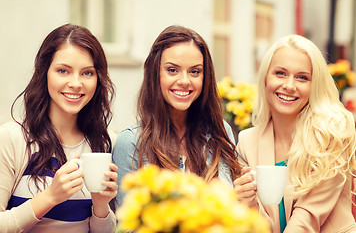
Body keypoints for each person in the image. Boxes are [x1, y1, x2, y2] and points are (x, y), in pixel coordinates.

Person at [0, 23, 118, 233]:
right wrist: (50, 197)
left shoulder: (106, 142)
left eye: (87, 73)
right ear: (44, 72)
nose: (75, 83)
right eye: (63, 71)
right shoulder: (12, 138)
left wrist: (101, 206)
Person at [233, 34, 356, 232]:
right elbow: (259, 226)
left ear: (314, 85)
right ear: (265, 78)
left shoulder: (332, 134)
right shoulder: (247, 142)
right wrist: (248, 205)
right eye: (280, 73)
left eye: (302, 77)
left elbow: (308, 217)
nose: (289, 85)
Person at [112, 25, 241, 209]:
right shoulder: (131, 142)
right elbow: (127, 226)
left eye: (195, 71)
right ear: (154, 73)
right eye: (172, 70)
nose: (184, 81)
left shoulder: (219, 133)